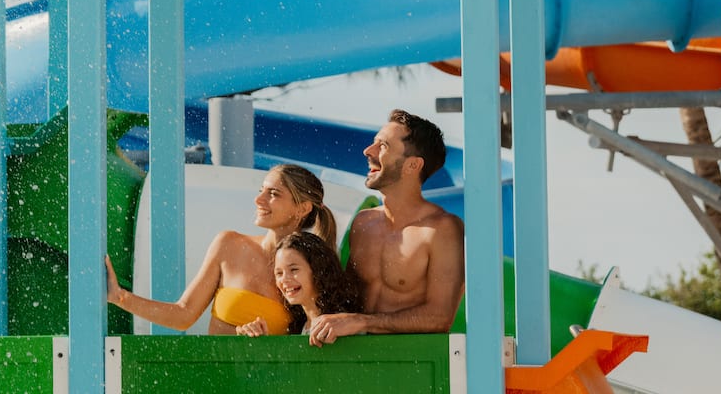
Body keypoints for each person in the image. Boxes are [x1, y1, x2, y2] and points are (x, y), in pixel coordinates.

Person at [103, 163, 337, 335]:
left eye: (273, 194)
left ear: (303, 208)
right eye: (261, 191)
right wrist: (120, 297)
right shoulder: (229, 245)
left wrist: (268, 345)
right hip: (216, 380)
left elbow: (315, 331)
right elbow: (183, 315)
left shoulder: (314, 267)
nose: (259, 200)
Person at [307, 109, 464, 345]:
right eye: (373, 143)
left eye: (382, 146)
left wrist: (363, 322)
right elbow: (344, 299)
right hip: (355, 359)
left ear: (412, 165)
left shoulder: (442, 229)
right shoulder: (363, 222)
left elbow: (439, 317)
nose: (367, 151)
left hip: (411, 363)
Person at [237, 232, 364, 341]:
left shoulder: (344, 325)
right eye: (279, 273)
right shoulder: (298, 327)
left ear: (318, 270)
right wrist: (261, 342)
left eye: (294, 270)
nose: (284, 280)